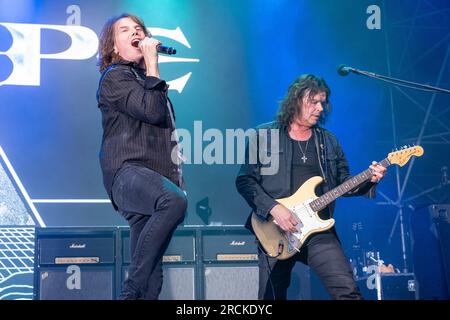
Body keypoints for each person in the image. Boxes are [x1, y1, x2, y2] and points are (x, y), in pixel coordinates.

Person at [235, 74, 387, 300]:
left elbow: (344, 182)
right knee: (271, 298)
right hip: (275, 230)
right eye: (313, 102)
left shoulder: (328, 141)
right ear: (296, 100)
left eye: (323, 102)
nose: (320, 108)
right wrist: (274, 208)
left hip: (318, 230)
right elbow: (245, 180)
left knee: (347, 291)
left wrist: (370, 179)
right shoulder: (264, 135)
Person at [96, 13, 186, 300]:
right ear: (113, 47)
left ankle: (138, 291)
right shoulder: (114, 76)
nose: (136, 32)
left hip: (152, 179)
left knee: (151, 277)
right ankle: (128, 292)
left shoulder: (142, 79)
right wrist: (152, 63)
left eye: (139, 29)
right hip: (127, 174)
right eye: (125, 30)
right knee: (173, 200)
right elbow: (152, 111)